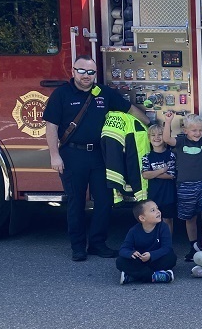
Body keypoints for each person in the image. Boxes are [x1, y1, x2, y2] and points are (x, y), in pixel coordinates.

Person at [44, 55, 150, 261]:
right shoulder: (61, 94)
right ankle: (78, 247)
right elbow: (51, 126)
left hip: (99, 156)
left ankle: (97, 243)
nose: (86, 75)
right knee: (76, 202)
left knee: (104, 200)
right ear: (73, 71)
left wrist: (151, 125)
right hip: (72, 155)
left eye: (90, 72)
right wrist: (54, 156)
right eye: (82, 71)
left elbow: (129, 109)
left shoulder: (103, 93)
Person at [163, 111, 202, 262]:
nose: (198, 133)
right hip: (185, 186)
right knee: (190, 218)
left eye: (200, 130)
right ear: (185, 131)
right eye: (194, 130)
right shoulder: (181, 141)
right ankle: (193, 247)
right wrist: (168, 121)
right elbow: (166, 139)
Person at [116, 200, 176, 284]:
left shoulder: (163, 227)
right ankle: (156, 276)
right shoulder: (134, 231)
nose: (158, 211)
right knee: (120, 261)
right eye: (153, 210)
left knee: (171, 257)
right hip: (140, 261)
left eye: (157, 208)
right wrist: (131, 253)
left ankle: (134, 276)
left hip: (155, 259)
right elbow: (123, 249)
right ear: (142, 218)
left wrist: (151, 255)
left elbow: (167, 248)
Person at [141, 124, 177, 233]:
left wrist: (152, 173)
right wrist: (162, 170)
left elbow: (171, 175)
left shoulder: (171, 155)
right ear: (149, 138)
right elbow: (145, 175)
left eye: (160, 134)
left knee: (167, 220)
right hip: (153, 195)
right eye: (153, 135)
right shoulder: (146, 157)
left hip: (168, 195)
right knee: (152, 220)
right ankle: (154, 242)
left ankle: (167, 242)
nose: (156, 137)